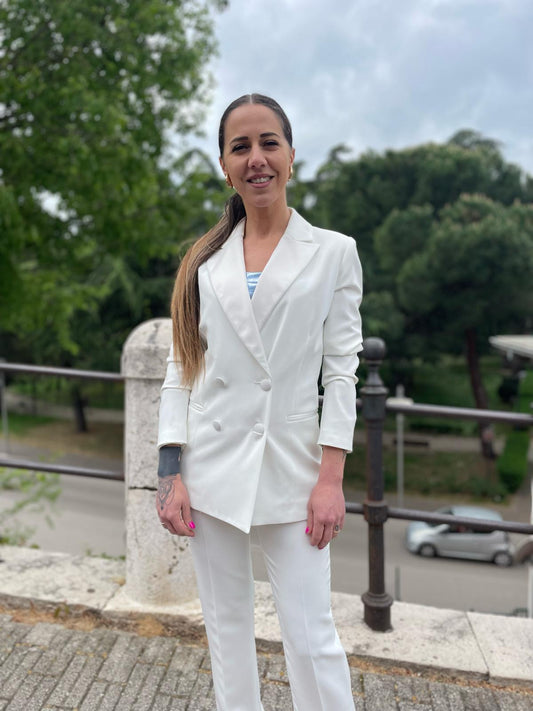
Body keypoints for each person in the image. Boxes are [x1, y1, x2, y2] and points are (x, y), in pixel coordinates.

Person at [156, 93, 363, 711]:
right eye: (240, 147)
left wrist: (331, 479)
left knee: (311, 638)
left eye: (269, 142)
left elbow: (342, 371)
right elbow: (181, 369)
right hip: (211, 468)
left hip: (295, 471)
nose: (257, 158)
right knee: (226, 633)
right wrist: (170, 471)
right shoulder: (205, 262)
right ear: (225, 166)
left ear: (291, 155)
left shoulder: (333, 252)